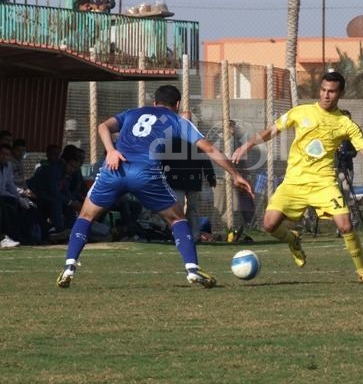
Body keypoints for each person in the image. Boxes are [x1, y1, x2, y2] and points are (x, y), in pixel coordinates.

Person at [56, 85, 253, 289]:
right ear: (177, 105)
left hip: (115, 168)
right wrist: (236, 175)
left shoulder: (132, 113)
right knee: (177, 219)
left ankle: (69, 267)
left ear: (154, 102)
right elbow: (210, 148)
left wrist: (111, 151)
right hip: (146, 173)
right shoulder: (177, 120)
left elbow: (103, 126)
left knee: (86, 216)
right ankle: (192, 269)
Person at [232, 70, 363, 283]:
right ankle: (292, 239)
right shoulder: (300, 112)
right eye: (323, 90)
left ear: (340, 93)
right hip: (294, 182)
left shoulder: (345, 123)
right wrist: (248, 144)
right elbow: (271, 130)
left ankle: (362, 270)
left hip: (324, 183)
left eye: (331, 91)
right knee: (269, 225)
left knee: (345, 224)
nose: (325, 95)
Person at [163, 111, 217, 242]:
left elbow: (204, 157)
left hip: (193, 180)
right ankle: (176, 235)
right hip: (176, 180)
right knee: (177, 208)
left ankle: (193, 235)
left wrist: (211, 176)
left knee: (193, 209)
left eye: (189, 121)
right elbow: (163, 158)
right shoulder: (171, 137)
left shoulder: (195, 138)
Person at [335, 109, 359, 235]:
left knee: (346, 196)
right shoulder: (334, 134)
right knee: (336, 197)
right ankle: (340, 223)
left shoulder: (350, 136)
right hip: (335, 169)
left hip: (347, 169)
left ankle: (349, 222)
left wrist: (344, 153)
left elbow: (354, 152)